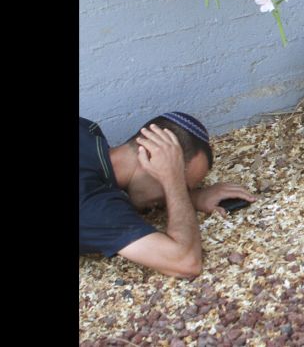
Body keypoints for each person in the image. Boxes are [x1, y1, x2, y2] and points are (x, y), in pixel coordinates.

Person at [79, 113, 256, 277]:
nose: (179, 190)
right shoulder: (92, 203)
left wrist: (193, 197)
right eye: (176, 177)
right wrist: (174, 182)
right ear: (150, 155)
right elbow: (185, 262)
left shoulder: (88, 131)